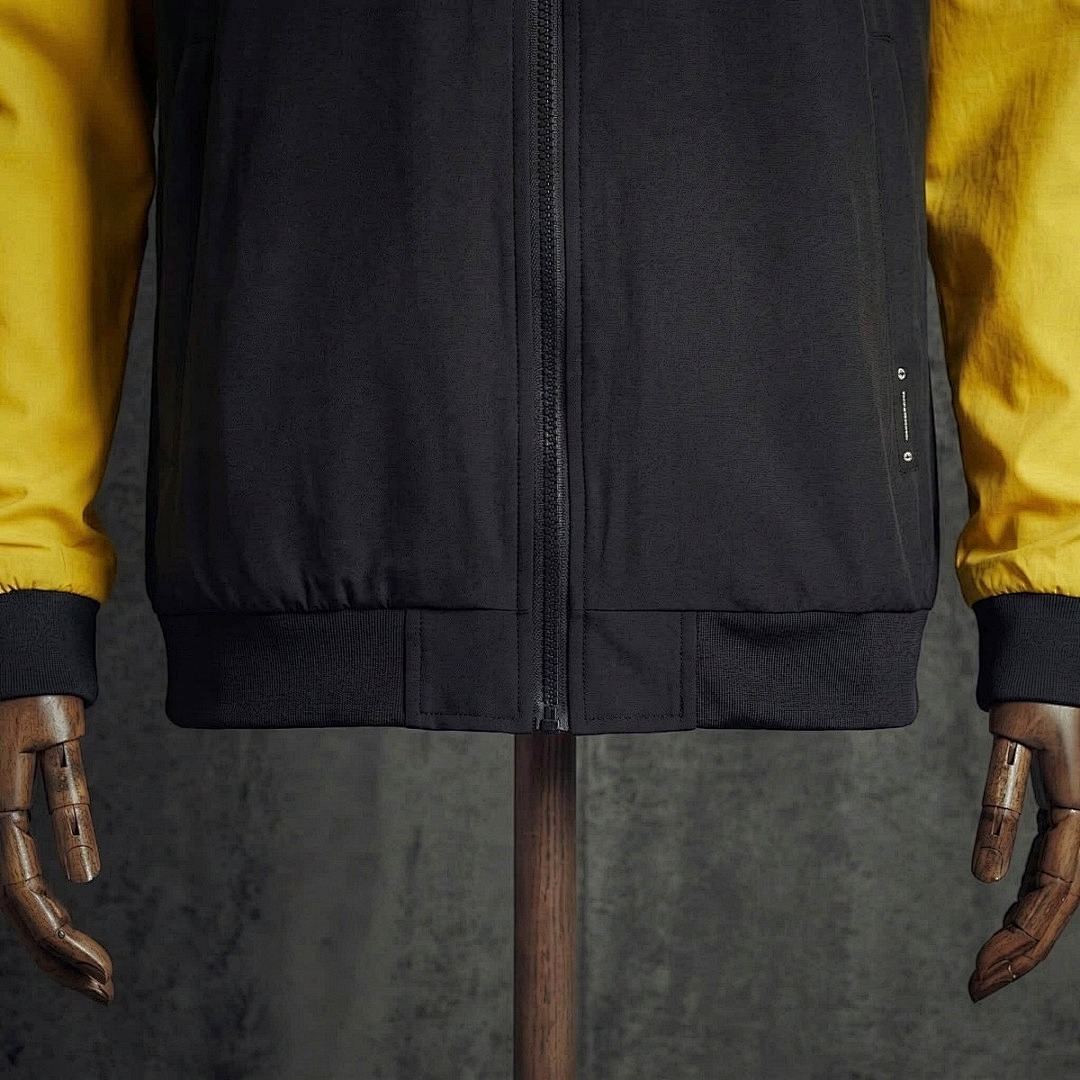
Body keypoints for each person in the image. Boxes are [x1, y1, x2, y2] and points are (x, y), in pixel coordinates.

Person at [0, 0, 1077, 1007]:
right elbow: (43, 79)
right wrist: (20, 577)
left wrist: (1054, 586)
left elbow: (1027, 94)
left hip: (786, 470)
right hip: (307, 492)